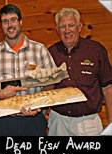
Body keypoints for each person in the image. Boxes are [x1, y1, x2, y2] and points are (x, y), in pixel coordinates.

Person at [0, 4, 56, 136]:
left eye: (13, 20)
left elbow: (51, 82)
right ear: (1, 25)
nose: (10, 25)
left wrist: (40, 107)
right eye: (5, 21)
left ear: (21, 22)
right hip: (3, 121)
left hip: (34, 119)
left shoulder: (39, 50)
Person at [48, 8, 112, 136]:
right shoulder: (51, 53)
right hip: (58, 121)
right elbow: (47, 88)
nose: (67, 31)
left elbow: (107, 88)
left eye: (71, 25)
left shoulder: (96, 50)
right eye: (62, 26)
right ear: (57, 29)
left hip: (88, 123)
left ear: (79, 26)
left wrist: (111, 122)